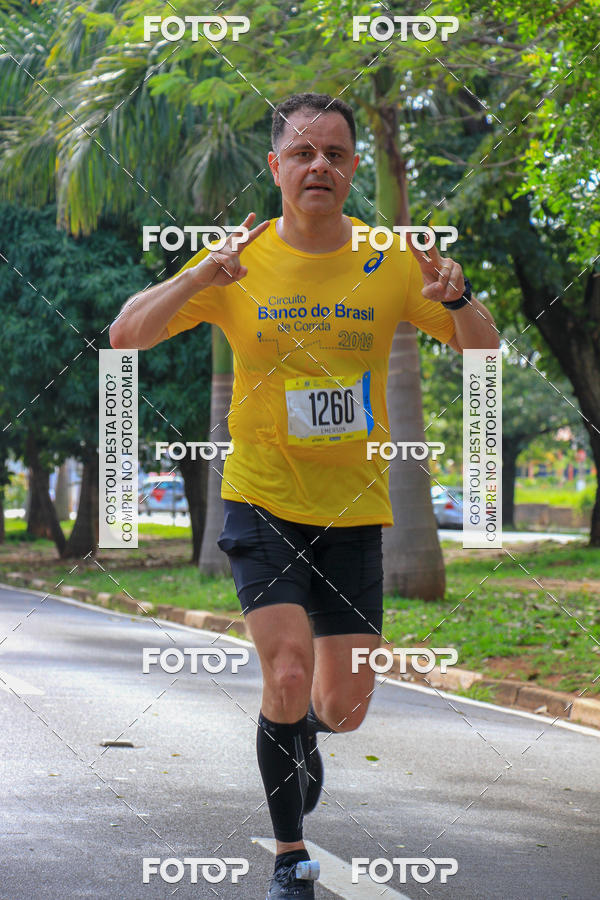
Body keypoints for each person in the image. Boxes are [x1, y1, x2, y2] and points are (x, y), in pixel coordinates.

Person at [110, 92, 499, 899]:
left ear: (353, 167)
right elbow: (125, 336)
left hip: (354, 510)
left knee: (342, 705)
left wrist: (459, 300)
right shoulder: (236, 261)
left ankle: (301, 736)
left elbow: (484, 350)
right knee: (284, 674)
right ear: (275, 165)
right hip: (261, 499)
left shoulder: (390, 257)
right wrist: (197, 280)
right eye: (303, 152)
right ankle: (291, 857)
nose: (319, 165)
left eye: (335, 153)